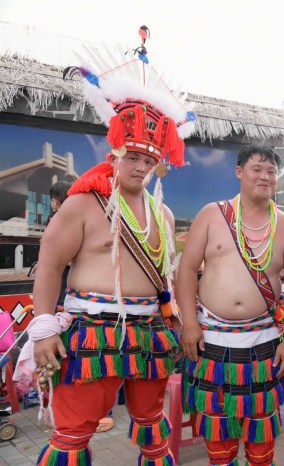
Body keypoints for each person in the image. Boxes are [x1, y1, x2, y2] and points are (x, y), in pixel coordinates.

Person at [28, 28, 193, 465]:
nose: (140, 166)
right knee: (73, 433)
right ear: (115, 152)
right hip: (92, 330)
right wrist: (43, 327)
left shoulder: (162, 213)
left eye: (149, 160)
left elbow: (168, 275)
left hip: (150, 333)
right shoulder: (84, 202)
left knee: (153, 427)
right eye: (133, 157)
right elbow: (49, 264)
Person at [177, 143, 284, 466]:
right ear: (239, 172)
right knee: (219, 443)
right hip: (211, 342)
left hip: (263, 344)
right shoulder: (212, 214)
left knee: (261, 443)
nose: (265, 177)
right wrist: (189, 323)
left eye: (271, 171)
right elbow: (186, 270)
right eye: (256, 169)